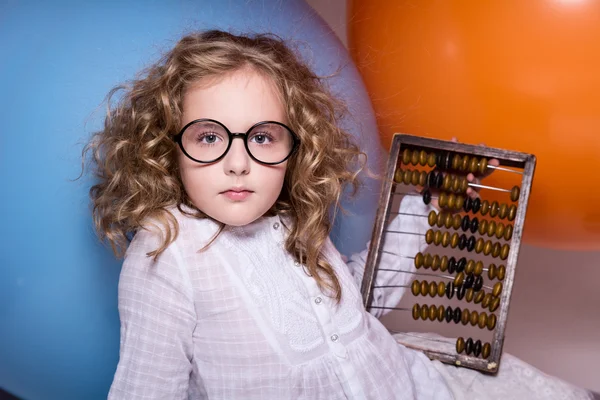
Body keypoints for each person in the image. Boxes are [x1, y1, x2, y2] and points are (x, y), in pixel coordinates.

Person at [85, 30, 593, 399]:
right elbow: (145, 389)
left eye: (262, 137)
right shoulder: (167, 253)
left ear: (292, 148)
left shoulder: (290, 220)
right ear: (169, 149)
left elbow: (354, 302)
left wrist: (431, 202)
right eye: (209, 138)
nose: (238, 163)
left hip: (411, 386)